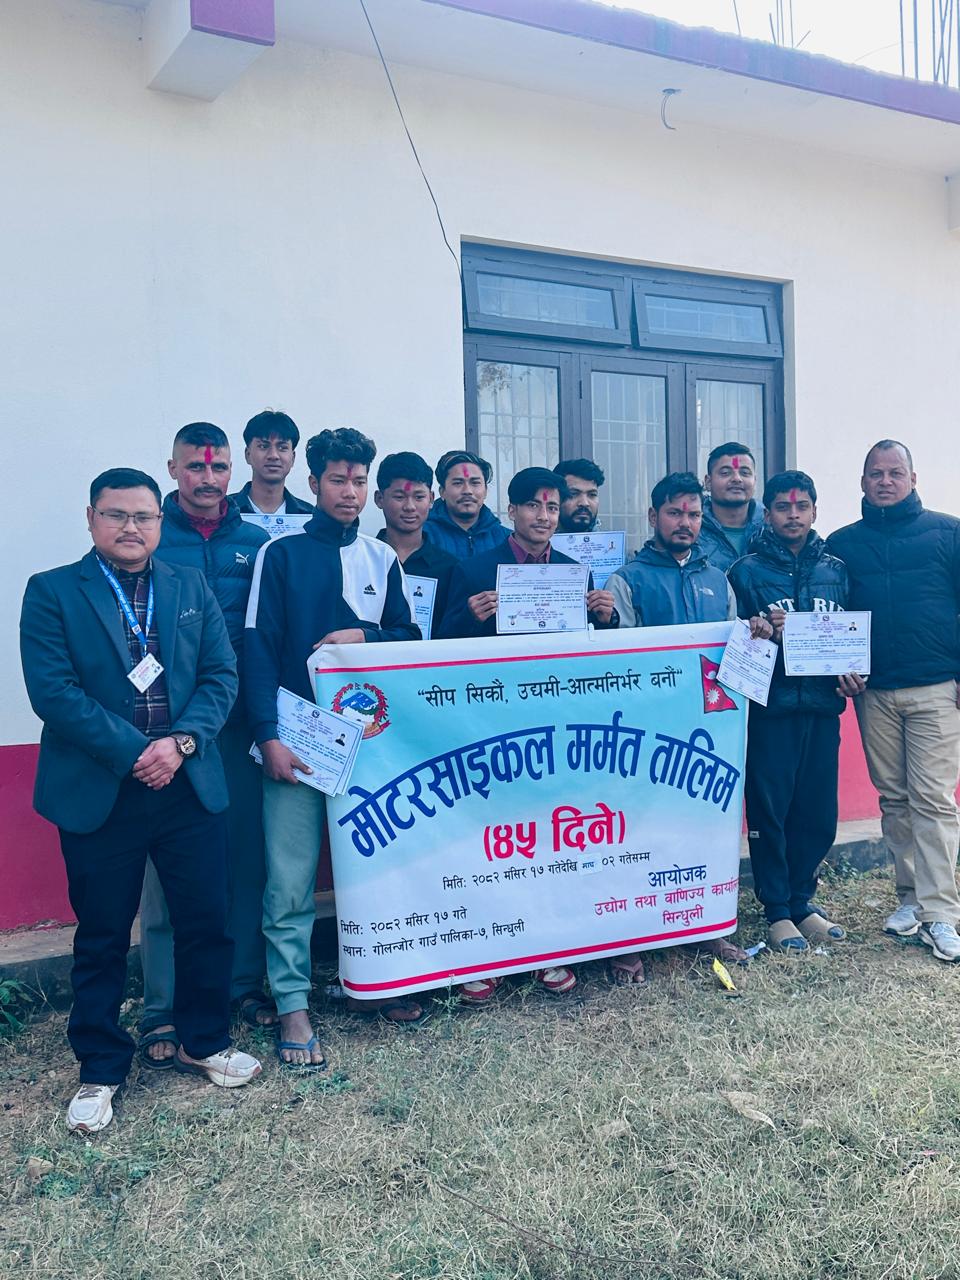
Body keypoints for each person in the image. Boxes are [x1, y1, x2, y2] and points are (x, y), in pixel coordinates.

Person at [20, 468, 261, 1134]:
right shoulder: (52, 591)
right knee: (102, 935)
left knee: (206, 921)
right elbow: (54, 692)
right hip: (102, 791)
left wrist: (179, 744)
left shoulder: (189, 586)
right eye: (116, 514)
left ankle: (204, 1040)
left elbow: (221, 675)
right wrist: (135, 752)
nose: (131, 527)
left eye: (144, 516)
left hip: (186, 783)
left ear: (160, 521)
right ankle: (100, 1068)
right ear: (91, 518)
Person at [245, 428, 422, 1067]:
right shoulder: (281, 554)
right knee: (290, 881)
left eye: (358, 481)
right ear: (313, 482)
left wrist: (365, 638)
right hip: (297, 743)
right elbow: (257, 649)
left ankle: (378, 981)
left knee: (374, 871)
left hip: (372, 748)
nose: (350, 492)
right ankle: (292, 1003)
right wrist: (267, 736)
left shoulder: (382, 557)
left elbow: (410, 639)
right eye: (338, 480)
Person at [437, 466, 617, 1002]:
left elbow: (588, 652)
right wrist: (468, 618)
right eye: (534, 506)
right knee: (493, 839)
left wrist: (605, 619)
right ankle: (485, 954)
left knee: (547, 836)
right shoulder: (473, 569)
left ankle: (546, 948)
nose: (544, 516)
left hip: (553, 725)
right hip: (493, 727)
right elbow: (436, 648)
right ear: (511, 511)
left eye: (553, 508)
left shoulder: (573, 572)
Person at [137, 423, 275, 1070]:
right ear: (173, 469)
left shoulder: (257, 542)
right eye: (195, 466)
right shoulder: (150, 537)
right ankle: (160, 1006)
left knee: (243, 860)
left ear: (232, 471)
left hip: (236, 727)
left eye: (218, 467)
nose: (208, 478)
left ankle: (241, 984)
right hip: (165, 732)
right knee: (164, 873)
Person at [606, 472, 761, 982]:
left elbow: (735, 654)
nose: (685, 523)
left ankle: (706, 926)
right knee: (636, 832)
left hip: (707, 732)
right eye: (675, 513)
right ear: (654, 517)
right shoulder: (627, 580)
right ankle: (629, 941)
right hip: (645, 736)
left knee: (702, 828)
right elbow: (618, 665)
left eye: (694, 514)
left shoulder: (719, 579)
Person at [827, 441, 960, 962]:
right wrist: (838, 666)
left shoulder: (948, 533)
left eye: (895, 473)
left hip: (936, 688)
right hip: (875, 693)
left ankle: (941, 913)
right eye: (876, 474)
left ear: (913, 478)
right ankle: (911, 898)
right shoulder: (843, 545)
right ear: (862, 482)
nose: (885, 481)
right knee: (895, 800)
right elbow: (832, 616)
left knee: (934, 800)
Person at [728, 471, 865, 952]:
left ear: (814, 511)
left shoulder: (836, 570)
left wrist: (855, 674)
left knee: (818, 813)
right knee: (772, 811)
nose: (793, 515)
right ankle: (777, 910)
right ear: (767, 514)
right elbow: (734, 643)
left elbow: (852, 636)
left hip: (823, 709)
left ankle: (803, 902)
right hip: (772, 711)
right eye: (783, 507)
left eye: (801, 506)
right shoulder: (745, 572)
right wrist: (761, 631)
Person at [374, 451, 457, 636]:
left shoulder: (449, 568)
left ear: (431, 499)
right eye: (399, 497)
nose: (410, 507)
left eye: (419, 497)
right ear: (379, 499)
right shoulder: (362, 560)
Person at [423, 450, 509, 558]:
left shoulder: (506, 540)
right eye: (458, 483)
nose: (467, 491)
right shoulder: (423, 536)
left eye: (475, 483)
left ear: (486, 491)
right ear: (442, 491)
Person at [229, 409, 314, 516]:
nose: (273, 455)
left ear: (293, 458)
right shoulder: (223, 512)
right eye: (263, 446)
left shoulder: (308, 516)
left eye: (282, 447)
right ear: (248, 454)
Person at [699, 442, 766, 572]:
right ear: (708, 482)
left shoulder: (771, 528)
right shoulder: (691, 530)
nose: (737, 479)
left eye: (745, 473)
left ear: (755, 481)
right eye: (725, 473)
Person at [553, 458, 605, 533]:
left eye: (592, 494)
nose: (584, 503)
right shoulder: (538, 539)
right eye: (573, 494)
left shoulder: (609, 540)